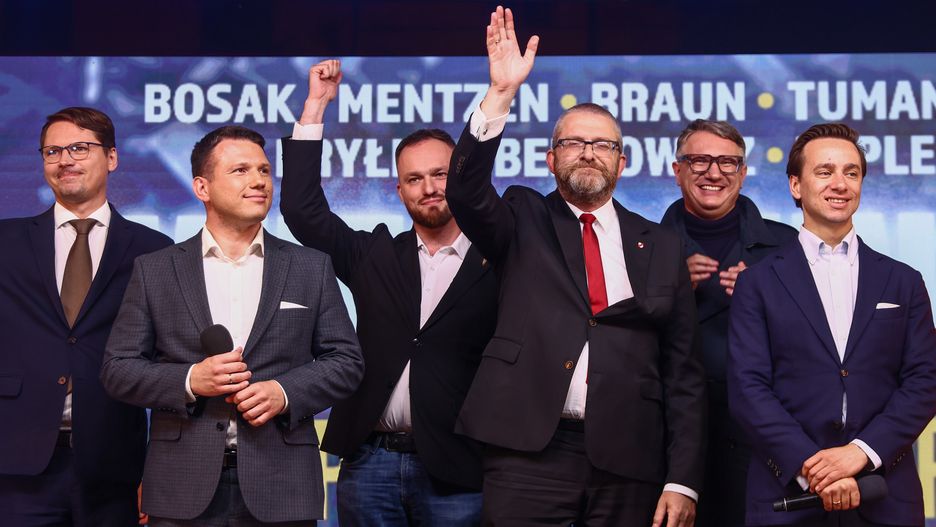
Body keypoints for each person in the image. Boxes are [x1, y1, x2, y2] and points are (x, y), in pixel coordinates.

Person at [445, 7, 706, 526]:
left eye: (603, 145)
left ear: (622, 162)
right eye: (574, 143)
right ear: (550, 159)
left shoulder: (661, 243)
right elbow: (466, 193)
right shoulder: (523, 216)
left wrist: (682, 479)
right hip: (527, 453)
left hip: (629, 457)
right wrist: (500, 93)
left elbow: (684, 372)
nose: (589, 153)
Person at [101, 125, 364, 525]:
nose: (259, 180)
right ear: (202, 187)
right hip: (182, 485)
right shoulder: (156, 270)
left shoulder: (310, 266)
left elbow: (346, 361)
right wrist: (189, 380)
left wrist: (284, 391)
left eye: (263, 170)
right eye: (240, 170)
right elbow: (118, 369)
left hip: (283, 485)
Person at [279, 59, 498, 526]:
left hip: (461, 469)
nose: (430, 188)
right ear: (398, 190)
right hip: (370, 464)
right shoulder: (372, 255)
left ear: (462, 179)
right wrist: (316, 105)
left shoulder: (500, 259)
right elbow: (303, 212)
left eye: (441, 174)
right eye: (415, 179)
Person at [728, 122, 936, 526]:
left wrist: (861, 452)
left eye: (851, 172)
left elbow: (924, 380)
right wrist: (813, 468)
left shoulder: (904, 280)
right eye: (824, 171)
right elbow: (748, 389)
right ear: (795, 185)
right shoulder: (757, 282)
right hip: (788, 497)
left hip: (885, 495)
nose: (840, 183)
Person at [0, 107, 172, 526]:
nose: (65, 160)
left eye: (79, 147)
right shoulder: (5, 242)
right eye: (52, 151)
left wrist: (159, 469)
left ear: (111, 158)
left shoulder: (154, 249)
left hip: (113, 464)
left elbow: (168, 362)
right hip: (15, 462)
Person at [660, 119, 797, 526]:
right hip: (666, 438)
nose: (714, 173)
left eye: (727, 162)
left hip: (761, 441)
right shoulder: (642, 244)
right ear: (677, 170)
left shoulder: (788, 246)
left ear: (743, 172)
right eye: (700, 160)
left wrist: (764, 297)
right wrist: (665, 286)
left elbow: (815, 341)